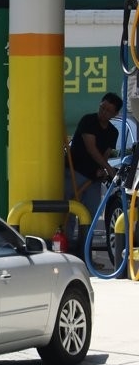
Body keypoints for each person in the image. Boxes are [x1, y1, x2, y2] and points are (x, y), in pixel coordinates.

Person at [64, 92, 122, 254]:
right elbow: (91, 149)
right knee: (69, 214)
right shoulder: (88, 120)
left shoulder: (112, 132)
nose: (103, 112)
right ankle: (65, 254)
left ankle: (86, 255)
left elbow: (105, 154)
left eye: (108, 110)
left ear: (115, 114)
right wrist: (108, 169)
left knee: (89, 216)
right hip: (74, 173)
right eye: (102, 107)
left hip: (93, 180)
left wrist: (102, 170)